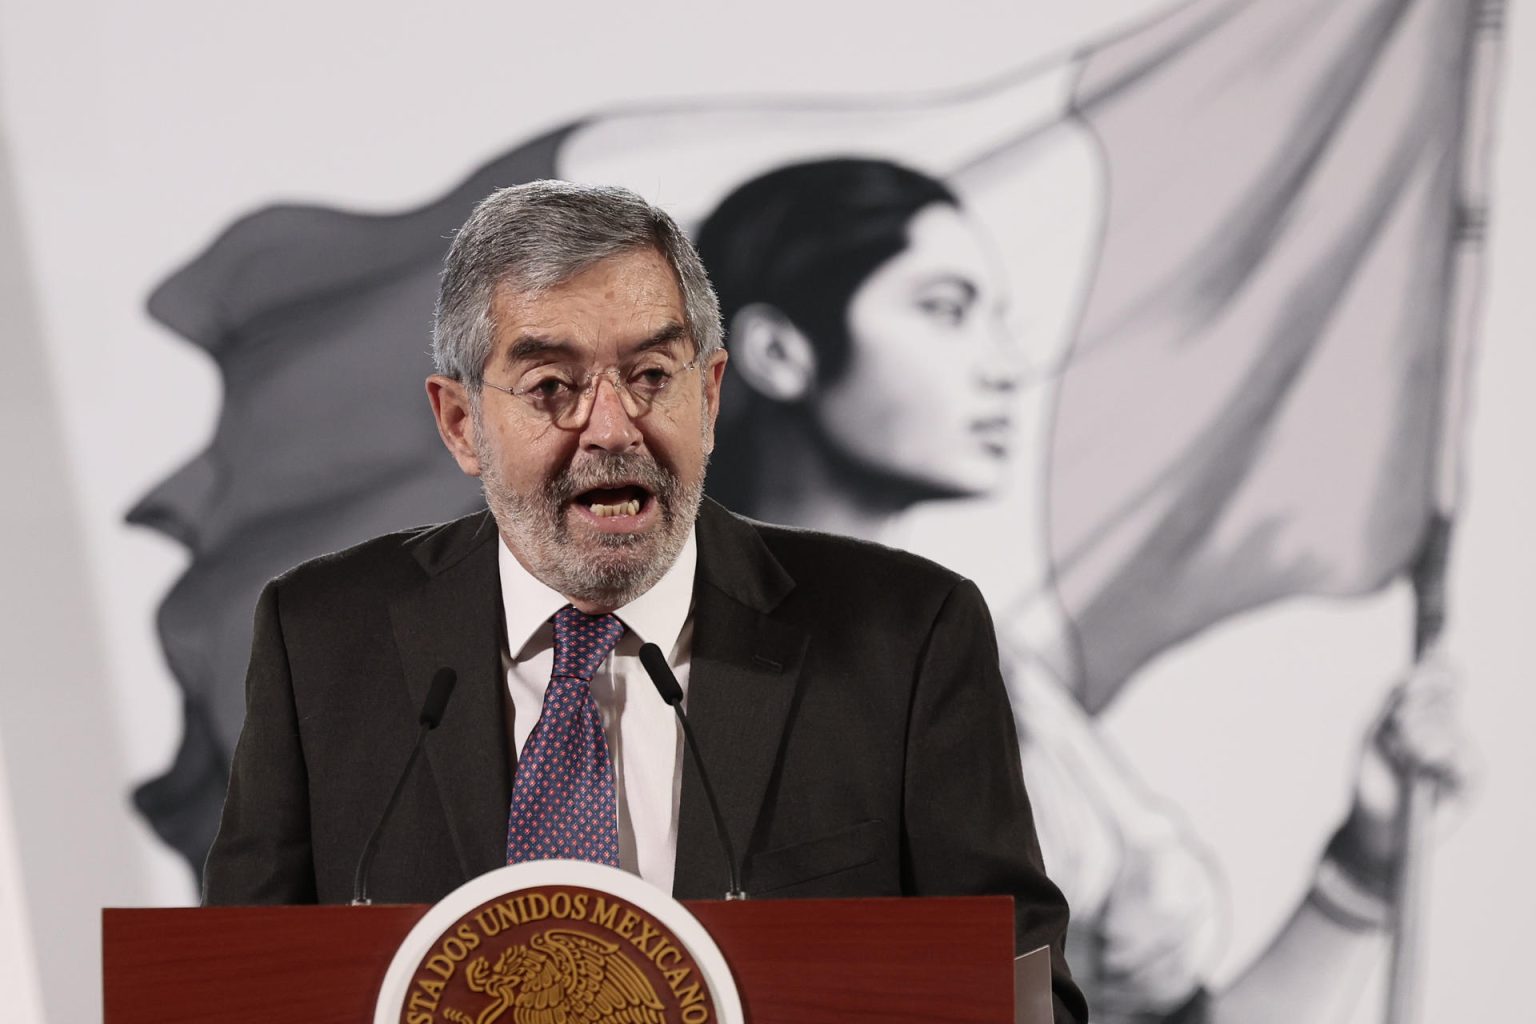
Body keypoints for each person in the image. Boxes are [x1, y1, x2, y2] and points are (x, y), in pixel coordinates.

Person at [201, 179, 1090, 1022]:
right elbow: (236, 991)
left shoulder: (906, 636)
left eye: (653, 376)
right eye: (552, 387)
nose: (614, 427)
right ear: (462, 423)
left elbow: (1021, 990)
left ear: (709, 397)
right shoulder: (323, 640)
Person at [696, 159, 1465, 1024]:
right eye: (946, 310)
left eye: (1000, 319)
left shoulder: (989, 674)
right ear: (776, 350)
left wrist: (1361, 869)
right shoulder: (656, 680)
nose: (1005, 365)